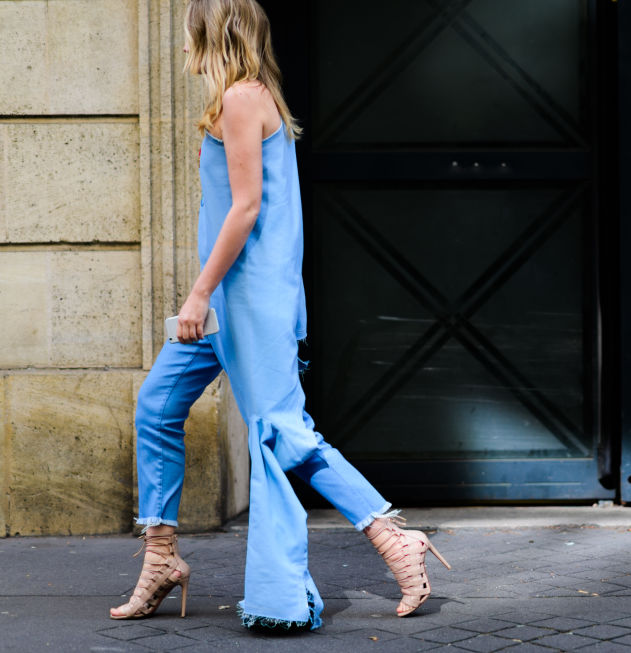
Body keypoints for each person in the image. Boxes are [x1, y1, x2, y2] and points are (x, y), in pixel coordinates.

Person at [109, 0, 449, 629]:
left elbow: (243, 209)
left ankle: (393, 536)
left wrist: (198, 293)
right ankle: (160, 556)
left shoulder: (242, 99)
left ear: (214, 36)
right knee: (157, 407)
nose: (182, 47)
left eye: (189, 35)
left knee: (283, 432)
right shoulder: (238, 99)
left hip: (248, 303)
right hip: (228, 302)